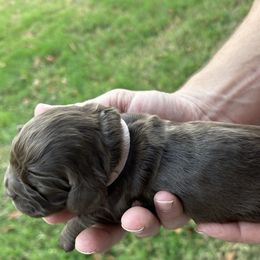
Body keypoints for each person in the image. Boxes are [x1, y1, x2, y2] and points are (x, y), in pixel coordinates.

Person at [35, 0, 260, 254]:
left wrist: (76, 224)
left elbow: (103, 208)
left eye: (35, 183)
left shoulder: (109, 185)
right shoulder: (128, 125)